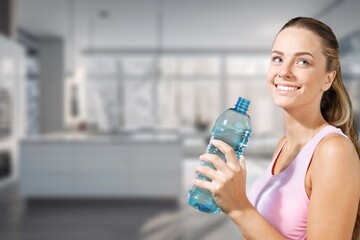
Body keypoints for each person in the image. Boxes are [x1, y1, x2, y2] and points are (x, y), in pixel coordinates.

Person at [192, 16, 360, 240]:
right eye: (278, 58)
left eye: (303, 62)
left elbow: (247, 215)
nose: (285, 72)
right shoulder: (285, 145)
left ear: (328, 79)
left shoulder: (334, 152)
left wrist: (239, 208)